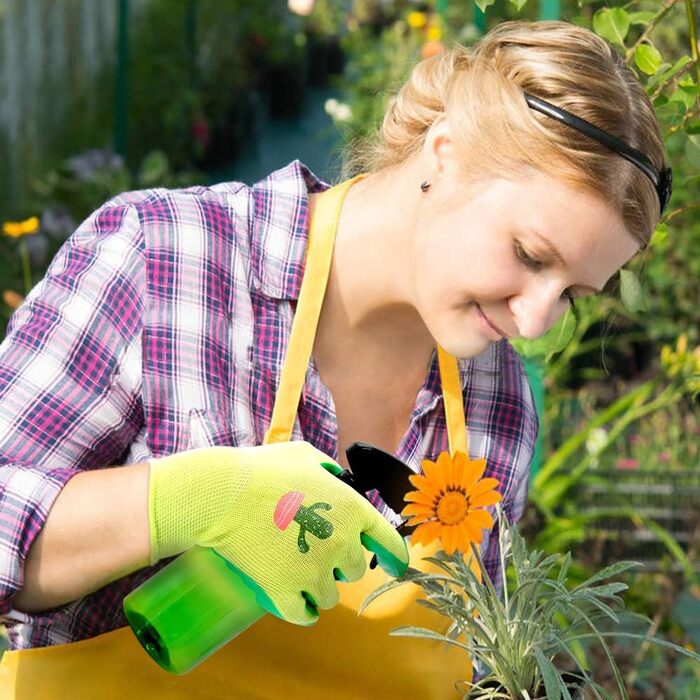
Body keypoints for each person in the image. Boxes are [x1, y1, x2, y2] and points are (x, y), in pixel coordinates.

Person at [0, 19, 669, 699]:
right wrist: (192, 500)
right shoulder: (165, 257)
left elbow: (458, 654)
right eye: (528, 256)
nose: (532, 321)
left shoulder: (496, 402)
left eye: (573, 297)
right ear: (447, 154)